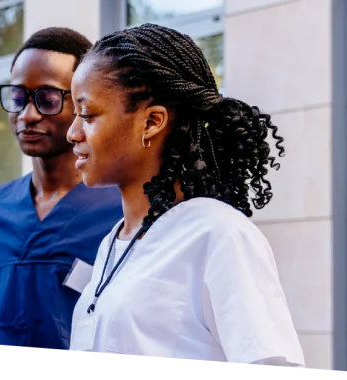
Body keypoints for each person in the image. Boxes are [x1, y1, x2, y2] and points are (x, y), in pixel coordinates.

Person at [64, 23, 305, 366]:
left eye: (87, 114)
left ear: (152, 122)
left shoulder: (219, 234)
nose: (73, 133)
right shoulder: (112, 244)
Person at [0, 27, 123, 351]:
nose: (27, 115)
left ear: (82, 102)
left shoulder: (123, 209)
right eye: (18, 97)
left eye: (47, 98)